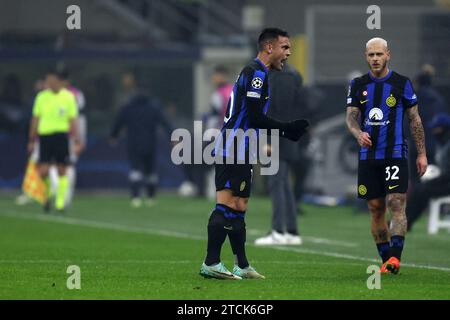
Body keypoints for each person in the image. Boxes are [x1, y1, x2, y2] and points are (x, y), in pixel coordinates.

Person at [199, 28, 309, 280]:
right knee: (226, 204)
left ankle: (242, 264)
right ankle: (211, 262)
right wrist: (287, 129)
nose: (288, 53)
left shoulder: (258, 73)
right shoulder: (256, 73)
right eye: (285, 48)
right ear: (269, 47)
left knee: (240, 205)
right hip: (233, 146)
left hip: (243, 146)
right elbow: (256, 117)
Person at [346, 37, 428, 274]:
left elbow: (415, 120)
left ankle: (395, 258)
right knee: (375, 207)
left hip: (395, 154)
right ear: (366, 56)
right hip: (368, 157)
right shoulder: (357, 84)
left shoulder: (402, 83)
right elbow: (351, 117)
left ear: (388, 55)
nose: (375, 59)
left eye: (379, 54)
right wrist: (358, 133)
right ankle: (386, 260)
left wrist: (421, 154)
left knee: (396, 202)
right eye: (371, 55)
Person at [254, 63, 304, 245]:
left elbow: (280, 111)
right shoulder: (290, 74)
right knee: (284, 184)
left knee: (276, 182)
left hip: (279, 138)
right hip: (285, 137)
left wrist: (269, 140)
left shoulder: (283, 77)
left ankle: (278, 231)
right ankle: (291, 232)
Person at [110, 72, 173, 208]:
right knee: (150, 171)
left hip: (133, 143)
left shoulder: (128, 106)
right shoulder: (153, 106)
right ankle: (151, 197)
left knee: (135, 170)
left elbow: (118, 122)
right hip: (150, 143)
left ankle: (135, 197)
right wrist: (173, 136)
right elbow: (165, 122)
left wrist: (113, 136)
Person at [27, 69, 83, 212]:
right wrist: (32, 139)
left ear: (58, 81)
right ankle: (46, 198)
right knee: (43, 171)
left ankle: (59, 201)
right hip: (45, 136)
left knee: (62, 170)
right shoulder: (41, 97)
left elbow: (73, 119)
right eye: (47, 81)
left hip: (61, 136)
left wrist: (76, 138)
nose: (49, 83)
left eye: (51, 80)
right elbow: (35, 118)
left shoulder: (68, 97)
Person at [406, 113, 450, 231]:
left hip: (447, 182)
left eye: (437, 128)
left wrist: (436, 177)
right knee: (420, 189)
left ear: (444, 128)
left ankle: (407, 221)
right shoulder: (442, 144)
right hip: (445, 180)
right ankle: (404, 220)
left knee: (424, 190)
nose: (434, 131)